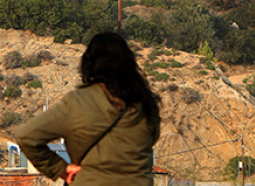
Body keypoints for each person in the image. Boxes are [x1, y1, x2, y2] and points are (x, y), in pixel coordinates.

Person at [14, 32, 161, 186]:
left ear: (88, 64)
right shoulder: (146, 103)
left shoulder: (77, 102)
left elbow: (26, 136)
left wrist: (60, 168)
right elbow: (152, 138)